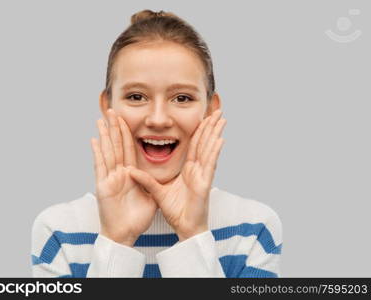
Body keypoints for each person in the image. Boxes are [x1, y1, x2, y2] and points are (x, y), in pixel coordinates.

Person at [31, 9, 283, 278]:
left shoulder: (254, 228)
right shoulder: (58, 231)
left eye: (182, 98)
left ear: (210, 109)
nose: (158, 119)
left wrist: (193, 234)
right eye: (137, 96)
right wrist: (117, 240)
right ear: (107, 105)